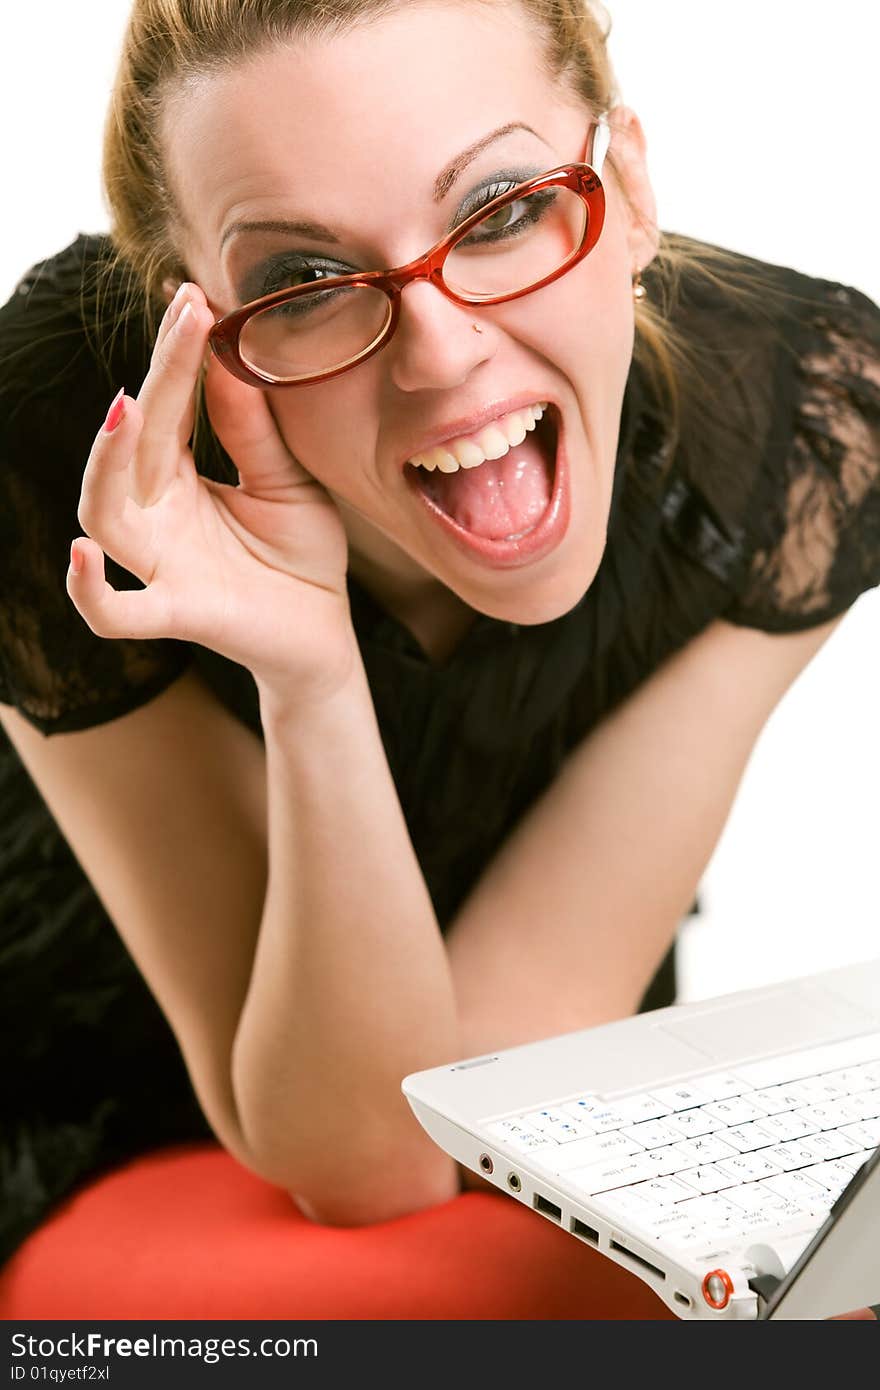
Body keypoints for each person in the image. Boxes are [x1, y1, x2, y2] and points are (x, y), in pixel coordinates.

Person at [0, 0, 878, 1301]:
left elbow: (467, 1103)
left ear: (628, 187)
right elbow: (361, 1156)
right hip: (89, 1095)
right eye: (302, 283)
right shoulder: (60, 432)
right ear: (186, 308)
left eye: (506, 207)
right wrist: (307, 672)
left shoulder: (802, 420)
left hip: (526, 1105)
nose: (443, 347)